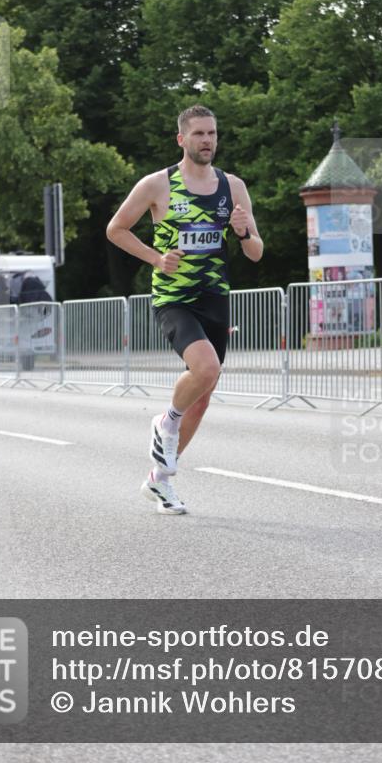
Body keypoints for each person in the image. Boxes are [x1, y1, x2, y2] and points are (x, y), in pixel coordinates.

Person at [106, 105, 263, 514]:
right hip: (174, 298)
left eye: (212, 133)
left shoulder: (233, 187)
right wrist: (156, 258)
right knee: (206, 369)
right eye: (198, 134)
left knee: (204, 396)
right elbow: (115, 229)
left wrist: (243, 230)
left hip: (214, 296)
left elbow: (256, 253)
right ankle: (166, 422)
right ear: (182, 139)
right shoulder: (158, 185)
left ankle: (158, 482)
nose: (207, 140)